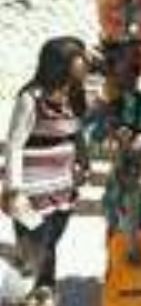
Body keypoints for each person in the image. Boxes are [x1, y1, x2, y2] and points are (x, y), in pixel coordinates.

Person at [2, 37, 90, 306]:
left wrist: (83, 161)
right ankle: (35, 293)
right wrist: (14, 190)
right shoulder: (31, 97)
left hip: (63, 186)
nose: (84, 61)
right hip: (31, 189)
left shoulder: (74, 94)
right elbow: (14, 145)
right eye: (78, 56)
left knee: (50, 242)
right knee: (35, 244)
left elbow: (77, 132)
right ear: (60, 63)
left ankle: (43, 292)